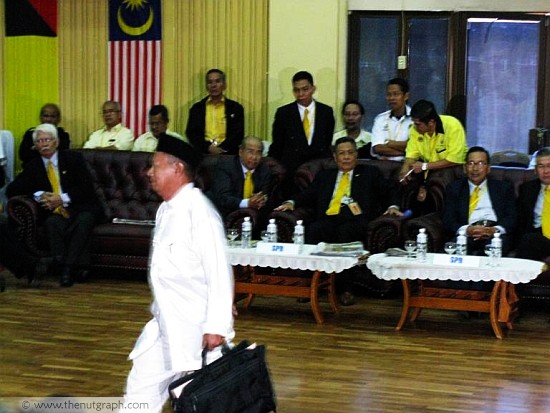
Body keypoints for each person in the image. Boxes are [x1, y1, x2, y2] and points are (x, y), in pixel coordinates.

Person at [122, 133, 234, 413]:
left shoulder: (200, 212)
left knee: (199, 403)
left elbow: (219, 271)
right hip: (164, 325)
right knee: (139, 393)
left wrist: (217, 326)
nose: (149, 172)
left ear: (177, 168)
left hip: (197, 333)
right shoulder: (166, 209)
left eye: (155, 166)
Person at [274, 137, 399, 305]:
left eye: (350, 153)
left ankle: (346, 289)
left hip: (355, 220)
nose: (346, 157)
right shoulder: (325, 175)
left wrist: (393, 206)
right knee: (313, 230)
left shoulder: (370, 173)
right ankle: (309, 285)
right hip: (328, 218)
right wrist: (291, 202)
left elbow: (390, 189)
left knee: (345, 233)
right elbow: (308, 193)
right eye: (342, 153)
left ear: (356, 155)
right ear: (335, 156)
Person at [6, 124, 103, 287]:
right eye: (39, 141)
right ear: (35, 146)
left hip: (81, 206)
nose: (44, 144)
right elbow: (12, 189)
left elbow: (86, 188)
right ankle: (72, 266)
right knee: (52, 223)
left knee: (83, 221)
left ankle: (67, 268)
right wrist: (39, 195)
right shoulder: (33, 166)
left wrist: (62, 198)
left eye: (47, 140)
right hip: (57, 211)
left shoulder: (73, 159)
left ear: (56, 142)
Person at [268, 70, 335, 197]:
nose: (301, 94)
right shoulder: (284, 113)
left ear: (313, 89)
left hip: (317, 170)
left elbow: (326, 141)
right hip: (291, 173)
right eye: (296, 90)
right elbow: (278, 145)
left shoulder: (326, 112)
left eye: (305, 89)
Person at [443, 146, 516, 255]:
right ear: (465, 168)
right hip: (467, 234)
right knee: (454, 249)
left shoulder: (503, 188)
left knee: (495, 248)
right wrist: (467, 230)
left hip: (494, 234)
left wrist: (494, 230)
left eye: (481, 163)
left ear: (488, 168)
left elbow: (512, 217)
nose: (475, 168)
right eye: (471, 163)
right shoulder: (454, 188)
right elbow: (448, 219)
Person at [210, 136, 276, 234]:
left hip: (251, 217)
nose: (254, 157)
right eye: (250, 152)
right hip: (223, 213)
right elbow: (223, 197)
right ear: (240, 152)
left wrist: (261, 200)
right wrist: (247, 203)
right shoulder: (226, 167)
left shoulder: (264, 170)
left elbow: (265, 195)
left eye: (258, 153)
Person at [399, 99, 467, 182]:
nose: (414, 126)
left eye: (418, 124)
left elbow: (454, 160)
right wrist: (405, 169)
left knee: (442, 176)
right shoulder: (416, 129)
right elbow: (411, 154)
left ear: (431, 122)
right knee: (405, 178)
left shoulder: (452, 126)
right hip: (429, 169)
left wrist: (424, 166)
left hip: (451, 169)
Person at [185, 68, 244, 155]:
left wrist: (221, 149)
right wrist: (208, 147)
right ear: (206, 86)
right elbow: (192, 133)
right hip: (203, 153)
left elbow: (238, 134)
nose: (213, 85)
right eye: (210, 82)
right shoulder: (197, 108)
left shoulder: (235, 108)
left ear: (224, 85)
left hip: (228, 154)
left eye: (217, 81)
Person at [516, 146, 550, 261]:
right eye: (541, 166)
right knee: (528, 239)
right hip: (538, 236)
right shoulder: (527, 189)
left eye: (549, 165)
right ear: (535, 170)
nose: (546, 171)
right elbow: (520, 220)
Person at [371, 78, 412, 161]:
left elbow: (417, 147)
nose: (391, 98)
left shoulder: (415, 119)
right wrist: (405, 152)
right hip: (383, 165)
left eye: (396, 94)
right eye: (389, 94)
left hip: (406, 164)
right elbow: (377, 148)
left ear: (406, 96)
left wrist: (389, 143)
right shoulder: (380, 119)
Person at [19, 103, 71, 168]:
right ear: (40, 117)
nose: (49, 119)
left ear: (59, 119)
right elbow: (23, 155)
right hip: (34, 168)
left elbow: (63, 155)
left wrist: (37, 149)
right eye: (46, 116)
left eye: (53, 116)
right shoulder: (31, 133)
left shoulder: (63, 135)